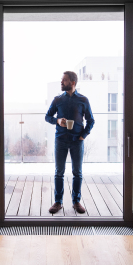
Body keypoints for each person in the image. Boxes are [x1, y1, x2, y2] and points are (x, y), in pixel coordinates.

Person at [45, 71, 95, 214]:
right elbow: (47, 117)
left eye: (64, 80)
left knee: (77, 173)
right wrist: (57, 121)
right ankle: (58, 202)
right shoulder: (57, 100)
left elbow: (91, 121)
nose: (61, 82)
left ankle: (76, 202)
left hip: (77, 142)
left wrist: (83, 135)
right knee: (59, 173)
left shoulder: (83, 100)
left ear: (72, 83)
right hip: (60, 140)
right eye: (62, 80)